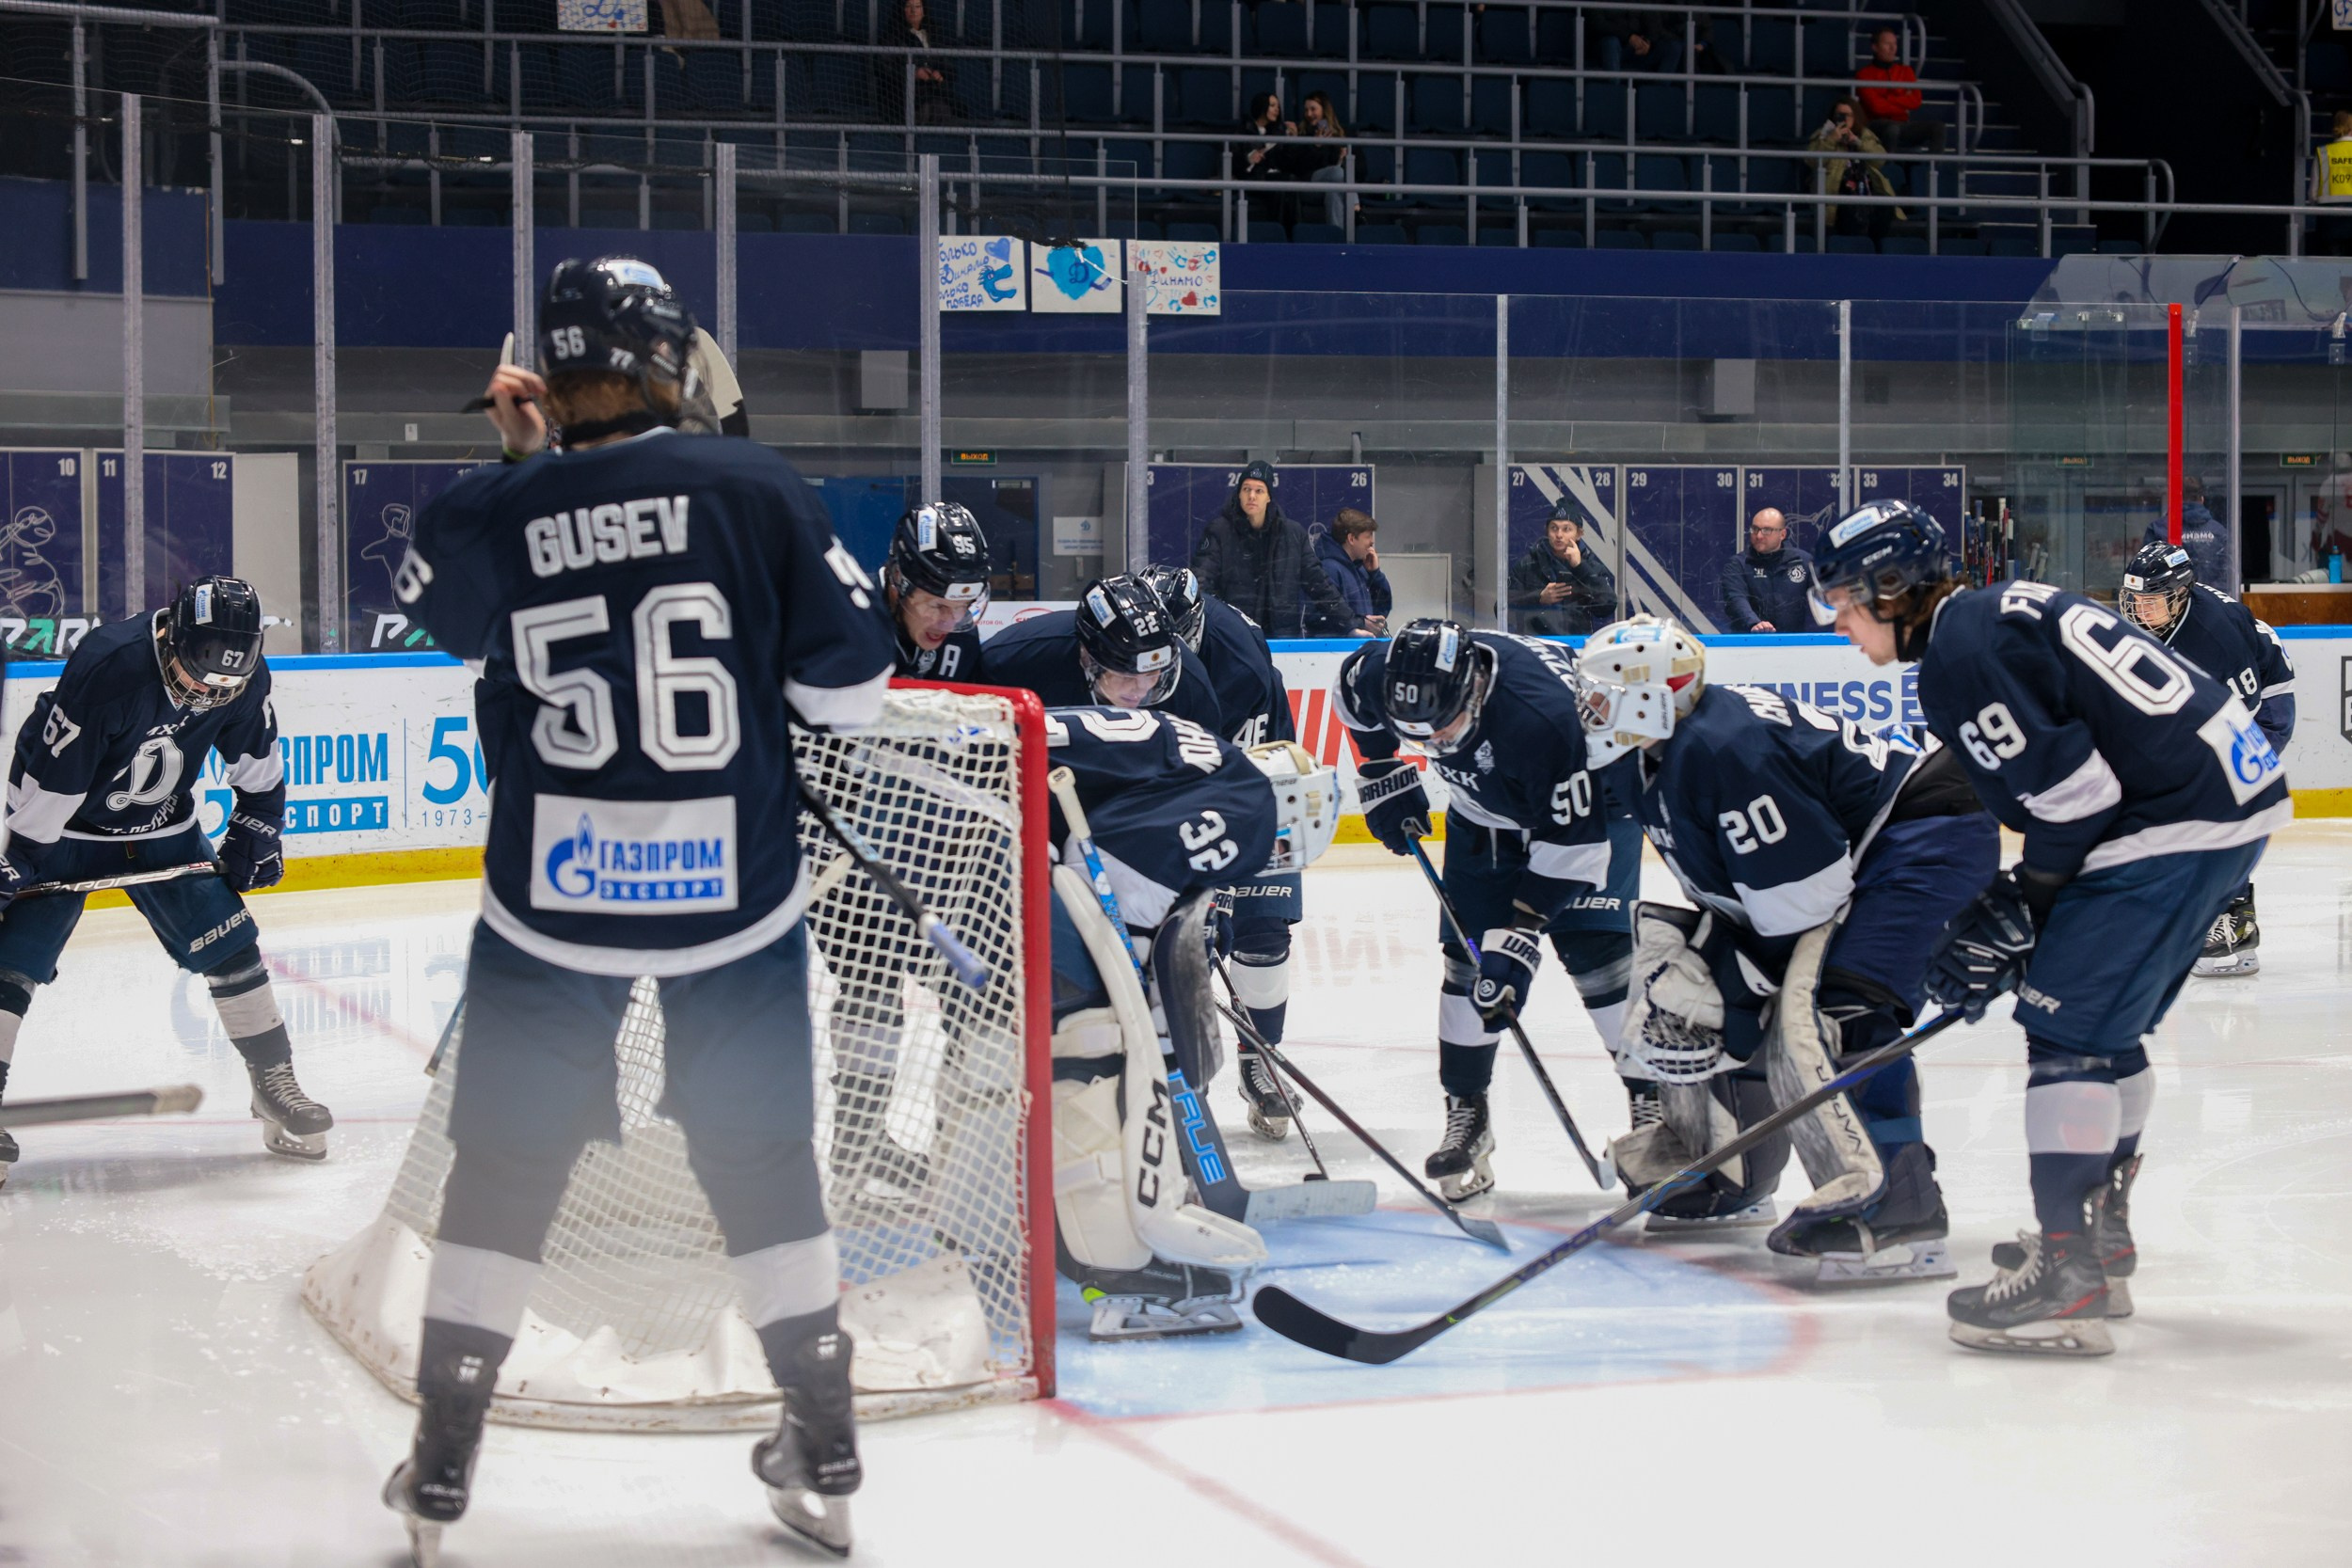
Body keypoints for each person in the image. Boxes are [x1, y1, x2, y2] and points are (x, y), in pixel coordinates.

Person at [384, 255, 896, 1557]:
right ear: (670, 360)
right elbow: (847, 694)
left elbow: (463, 617)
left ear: (547, 381)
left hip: (551, 901)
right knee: (762, 1156)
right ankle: (824, 1437)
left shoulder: (492, 505)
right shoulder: (756, 484)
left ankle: (443, 1456)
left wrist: (525, 465)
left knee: (506, 1163)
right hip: (734, 892)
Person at [1812, 499, 2290, 1357]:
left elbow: (2077, 797)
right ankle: (2098, 1241)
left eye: (1844, 601)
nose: (1838, 623)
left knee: (2064, 1032)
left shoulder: (1958, 654)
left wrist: (2025, 904)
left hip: (2174, 816)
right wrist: (2028, 904)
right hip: (2223, 797)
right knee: (2106, 1031)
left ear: (1891, 587)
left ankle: (2068, 1275)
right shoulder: (1986, 619)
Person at [1575, 616, 1997, 1266]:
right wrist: (1725, 983)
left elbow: (1806, 904)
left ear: (1651, 699)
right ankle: (1729, 1175)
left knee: (1840, 1005)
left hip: (1924, 834)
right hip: (1861, 853)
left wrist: (1739, 992)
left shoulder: (1727, 750)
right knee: (1705, 988)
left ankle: (1902, 1205)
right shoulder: (1656, 750)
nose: (1590, 710)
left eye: (1604, 696)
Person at [0, 576, 328, 1189]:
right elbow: (55, 780)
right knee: (13, 959)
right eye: (200, 679)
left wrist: (259, 826)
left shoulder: (241, 675)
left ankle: (273, 1081)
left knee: (231, 943)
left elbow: (258, 763)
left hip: (162, 820)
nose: (209, 695)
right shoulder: (111, 665)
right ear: (172, 638)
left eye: (225, 685)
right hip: (63, 822)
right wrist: (22, 858)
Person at [1041, 705, 1337, 1337]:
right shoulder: (1250, 808)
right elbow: (1117, 878)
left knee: (1035, 1046)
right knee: (1096, 1042)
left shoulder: (1207, 763)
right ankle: (1115, 1268)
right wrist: (1150, 1014)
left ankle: (1042, 1226)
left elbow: (1115, 847)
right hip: (1002, 856)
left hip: (973, 831)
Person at [1332, 620, 1641, 1199]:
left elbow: (1573, 846)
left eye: (1444, 725)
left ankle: (1655, 1113)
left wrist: (1520, 934)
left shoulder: (1543, 717)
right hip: (1485, 814)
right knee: (1469, 964)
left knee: (1600, 957)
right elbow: (1349, 691)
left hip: (1597, 805)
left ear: (1473, 687)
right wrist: (1380, 769)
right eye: (1419, 734)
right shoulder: (1384, 673)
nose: (1436, 741)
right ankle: (1467, 1111)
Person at [1142, 565, 1306, 1140]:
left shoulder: (1238, 668)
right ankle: (1182, 1069)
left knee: (1263, 928)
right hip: (1169, 794)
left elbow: (1233, 779)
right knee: (1176, 939)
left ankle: (1260, 1059)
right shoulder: (1137, 642)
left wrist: (1225, 886)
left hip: (1259, 780)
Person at [2118, 541, 2296, 976]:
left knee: (2226, 802)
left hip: (2263, 709)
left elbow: (2244, 718)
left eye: (2151, 601)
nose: (2139, 610)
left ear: (2180, 596)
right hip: (2207, 702)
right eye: (2135, 599)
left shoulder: (2214, 637)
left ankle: (2235, 920)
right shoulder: (2162, 622)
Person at [979, 574, 1225, 736]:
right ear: (1088, 658)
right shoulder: (1014, 660)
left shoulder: (1190, 686)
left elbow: (1208, 776)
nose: (1141, 689)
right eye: (1127, 676)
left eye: (1153, 674)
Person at [1190, 461, 1370, 638]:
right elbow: (1202, 581)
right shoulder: (1219, 532)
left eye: (1259, 490)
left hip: (1282, 640)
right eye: (1246, 489)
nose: (1251, 496)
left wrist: (1350, 624)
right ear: (1239, 494)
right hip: (1235, 637)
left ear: (1269, 497)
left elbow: (1319, 584)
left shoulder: (1293, 535)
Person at [880, 500, 989, 680]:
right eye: (937, 606)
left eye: (963, 605)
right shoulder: (850, 625)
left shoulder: (963, 638)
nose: (949, 624)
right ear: (898, 579)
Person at [1508, 500, 1618, 636]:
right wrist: (1538, 598)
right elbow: (1501, 609)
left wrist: (1580, 567)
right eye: (1554, 528)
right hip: (1536, 644)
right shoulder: (1527, 565)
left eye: (1566, 529)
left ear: (1579, 534)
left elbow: (1607, 606)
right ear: (1547, 531)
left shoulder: (1592, 567)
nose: (1559, 535)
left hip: (1576, 644)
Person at [1808, 97, 1899, 245]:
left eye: (1848, 115)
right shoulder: (1823, 134)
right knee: (1849, 207)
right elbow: (1811, 160)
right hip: (1837, 191)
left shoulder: (1864, 134)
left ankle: (1875, 248)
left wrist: (1858, 143)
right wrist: (1831, 140)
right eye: (1840, 115)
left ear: (1855, 116)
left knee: (1886, 207)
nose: (1844, 119)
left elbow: (1880, 160)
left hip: (1866, 189)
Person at [1719, 507, 1813, 632]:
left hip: (1795, 641)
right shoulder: (1738, 564)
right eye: (1755, 529)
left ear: (1782, 534)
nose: (1758, 536)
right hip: (1751, 640)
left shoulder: (1804, 562)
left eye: (1766, 530)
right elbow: (1735, 599)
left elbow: (1822, 600)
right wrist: (1753, 623)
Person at [1856, 26, 1944, 154]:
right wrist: (1902, 101)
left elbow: (1915, 101)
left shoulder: (1906, 71)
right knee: (1892, 129)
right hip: (1876, 125)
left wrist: (1888, 99)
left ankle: (1933, 166)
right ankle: (1886, 165)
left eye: (1895, 44)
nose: (1893, 48)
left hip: (1903, 124)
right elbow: (1876, 107)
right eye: (1887, 44)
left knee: (1938, 127)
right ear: (1875, 47)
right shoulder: (1863, 75)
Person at [1310, 507, 1391, 637]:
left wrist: (1375, 574)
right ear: (1351, 539)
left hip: (1363, 644)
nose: (1372, 541)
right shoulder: (1329, 569)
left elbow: (1381, 611)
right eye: (1368, 536)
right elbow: (1322, 618)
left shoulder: (1361, 568)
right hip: (1342, 647)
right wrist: (1359, 624)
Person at [2139, 475, 2230, 588]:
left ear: (2172, 498)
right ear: (2202, 499)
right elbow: (2227, 575)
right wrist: (2206, 594)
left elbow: (2146, 572)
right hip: (2210, 597)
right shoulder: (2219, 532)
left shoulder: (2158, 529)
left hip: (2171, 597)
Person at [875, 0, 953, 124]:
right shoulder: (892, 36)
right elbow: (883, 67)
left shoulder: (935, 34)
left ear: (923, 11)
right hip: (902, 95)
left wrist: (940, 74)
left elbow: (948, 65)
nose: (913, 11)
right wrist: (913, 74)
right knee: (924, 111)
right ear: (902, 10)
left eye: (917, 6)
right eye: (909, 6)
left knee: (942, 110)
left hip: (932, 92)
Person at [1296, 90, 1351, 229]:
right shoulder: (1302, 134)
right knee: (1338, 173)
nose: (1309, 114)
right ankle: (1357, 208)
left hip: (1334, 187)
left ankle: (1337, 238)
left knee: (1334, 192)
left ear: (1324, 110)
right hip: (1309, 187)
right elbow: (1299, 167)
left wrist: (1342, 160)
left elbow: (1362, 168)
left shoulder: (1342, 135)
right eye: (1306, 110)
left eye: (1313, 109)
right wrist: (1316, 146)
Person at [1590, 9, 1682, 72]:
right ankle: (1613, 91)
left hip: (1640, 46)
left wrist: (1648, 40)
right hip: (1612, 46)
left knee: (1673, 47)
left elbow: (1652, 15)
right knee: (1611, 43)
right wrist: (1629, 37)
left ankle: (1659, 92)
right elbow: (1598, 23)